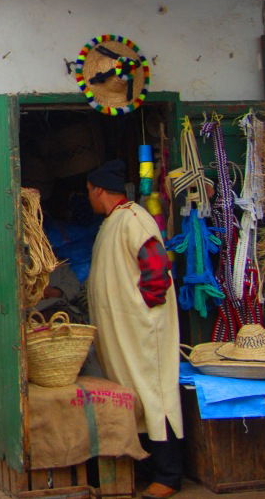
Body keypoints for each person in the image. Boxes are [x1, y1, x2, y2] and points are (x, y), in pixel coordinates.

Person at [85, 159, 183, 499]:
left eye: (88, 192)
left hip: (143, 330)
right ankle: (146, 467)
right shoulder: (111, 223)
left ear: (98, 190)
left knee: (156, 396)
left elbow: (156, 264)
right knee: (134, 397)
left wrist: (146, 308)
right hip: (123, 331)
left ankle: (169, 476)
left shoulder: (134, 219)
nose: (89, 198)